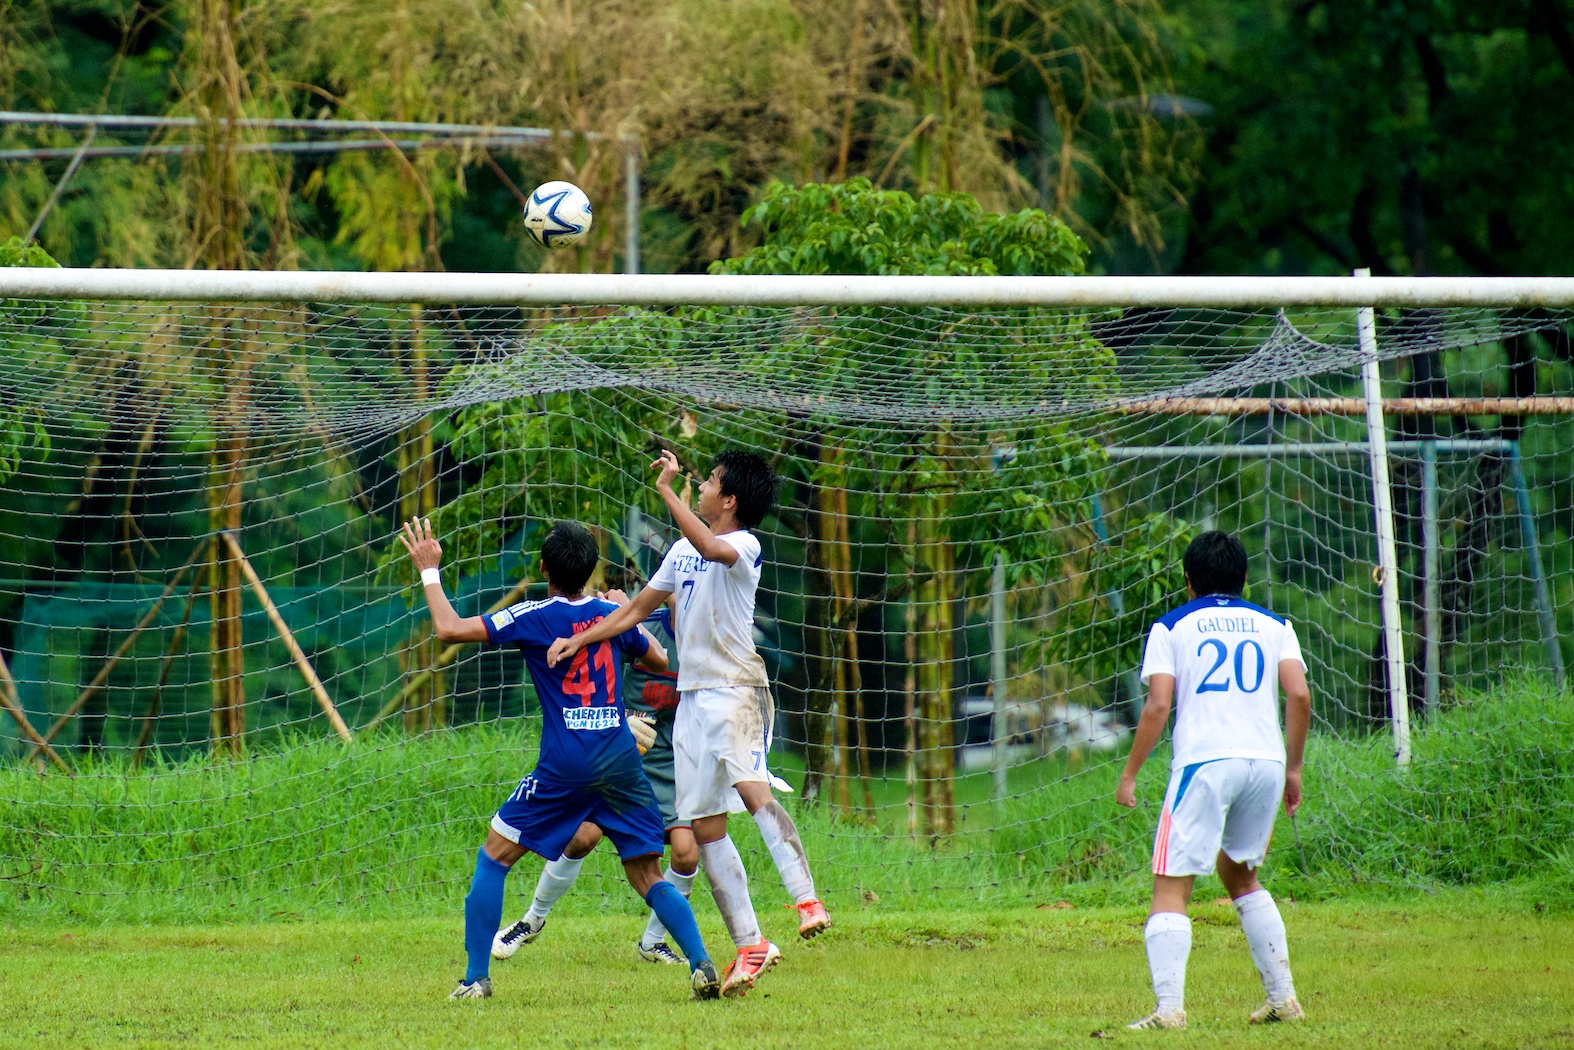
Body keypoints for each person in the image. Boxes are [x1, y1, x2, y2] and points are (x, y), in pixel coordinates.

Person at [397, 517, 721, 1001]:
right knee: (647, 874)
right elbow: (657, 660)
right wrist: (622, 617)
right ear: (592, 570)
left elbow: (447, 628)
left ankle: (474, 979)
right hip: (619, 757)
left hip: (566, 763)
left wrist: (429, 570)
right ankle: (702, 964)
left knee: (495, 855)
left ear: (544, 567)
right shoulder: (611, 615)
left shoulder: (534, 615)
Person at [547, 449, 829, 1000]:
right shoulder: (680, 552)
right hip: (693, 700)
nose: (700, 485)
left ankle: (806, 899)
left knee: (750, 790)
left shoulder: (743, 545)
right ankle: (750, 943)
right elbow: (630, 613)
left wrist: (666, 492)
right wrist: (578, 639)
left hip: (736, 691)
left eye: (711, 482)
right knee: (704, 828)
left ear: (728, 501)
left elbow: (709, 545)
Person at [1115, 530, 1312, 1030]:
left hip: (1206, 762)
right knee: (1240, 875)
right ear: (1244, 578)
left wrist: (1130, 774)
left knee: (1170, 885)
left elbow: (1159, 703)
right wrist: (1293, 768)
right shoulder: (1276, 624)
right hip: (1264, 763)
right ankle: (1283, 998)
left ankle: (1169, 1010)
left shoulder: (1172, 625)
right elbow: (1300, 696)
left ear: (1187, 581)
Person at [491, 590, 702, 966]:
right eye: (682, 588)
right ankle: (530, 921)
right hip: (611, 752)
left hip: (669, 760)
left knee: (686, 852)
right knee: (583, 836)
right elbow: (591, 685)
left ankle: (653, 943)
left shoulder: (710, 644)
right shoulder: (632, 624)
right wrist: (618, 725)